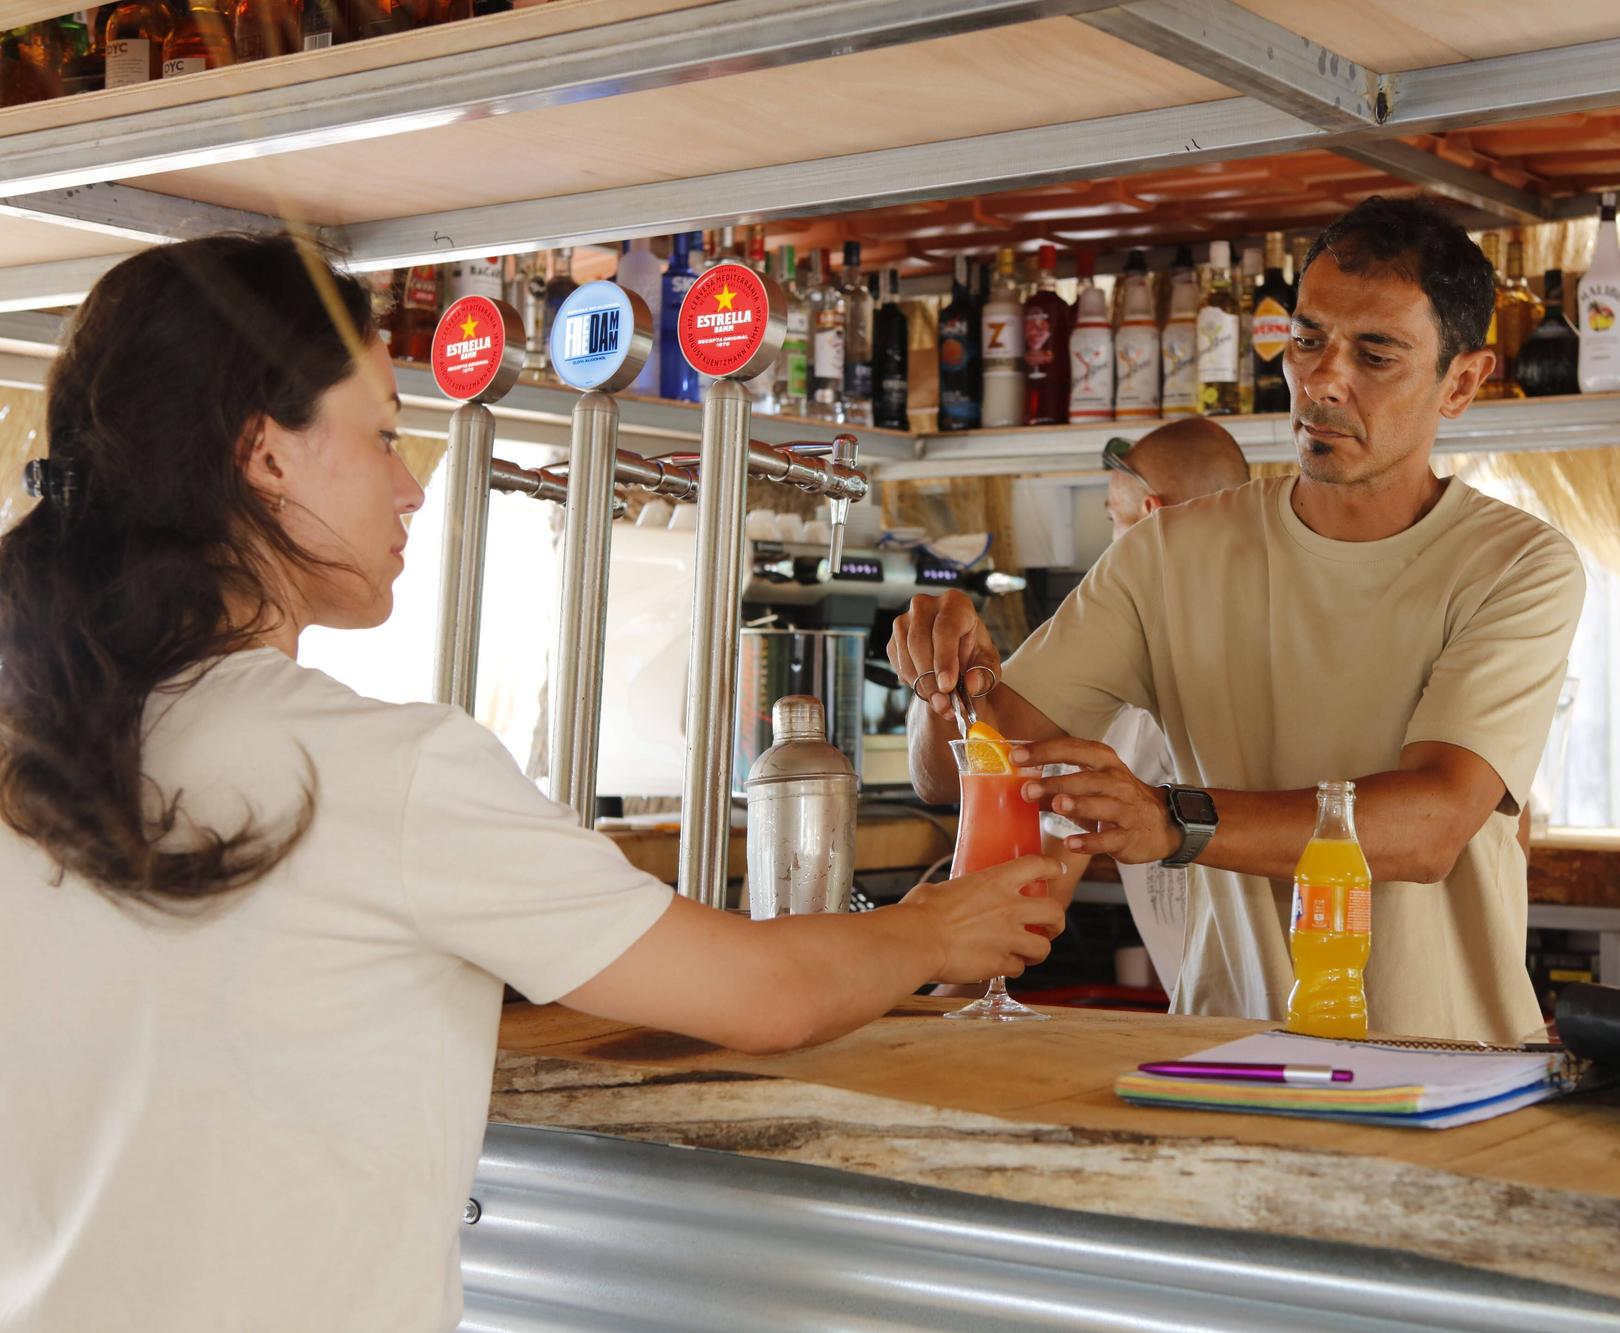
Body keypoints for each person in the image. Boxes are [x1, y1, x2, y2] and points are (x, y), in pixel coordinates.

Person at [0, 235, 1062, 1332]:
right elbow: (764, 994)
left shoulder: (27, 747)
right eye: (378, 437)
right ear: (263, 455)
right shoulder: (390, 768)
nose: (411, 487)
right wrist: (936, 931)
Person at [892, 198, 1585, 1044]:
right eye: (1306, 340)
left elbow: (1430, 825)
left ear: (1464, 382)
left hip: (1442, 1069)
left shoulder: (1515, 564)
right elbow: (972, 767)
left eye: (1375, 354)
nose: (1325, 380)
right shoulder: (1170, 553)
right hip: (1221, 1056)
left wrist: (1174, 818)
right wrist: (945, 678)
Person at [1047, 419, 1251, 994]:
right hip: (1340, 1026)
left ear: (1152, 522)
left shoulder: (1112, 677)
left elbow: (1038, 894)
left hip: (1224, 1041)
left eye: (1115, 524)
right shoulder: (1301, 637)